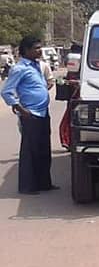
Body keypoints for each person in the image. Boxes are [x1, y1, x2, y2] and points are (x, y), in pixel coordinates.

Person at [2, 36, 57, 194]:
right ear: (26, 50)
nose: (39, 51)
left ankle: (44, 183)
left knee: (44, 150)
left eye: (40, 47)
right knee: (30, 152)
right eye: (36, 48)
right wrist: (19, 108)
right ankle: (28, 186)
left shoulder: (37, 66)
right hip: (30, 114)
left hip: (43, 113)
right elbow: (6, 91)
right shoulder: (20, 68)